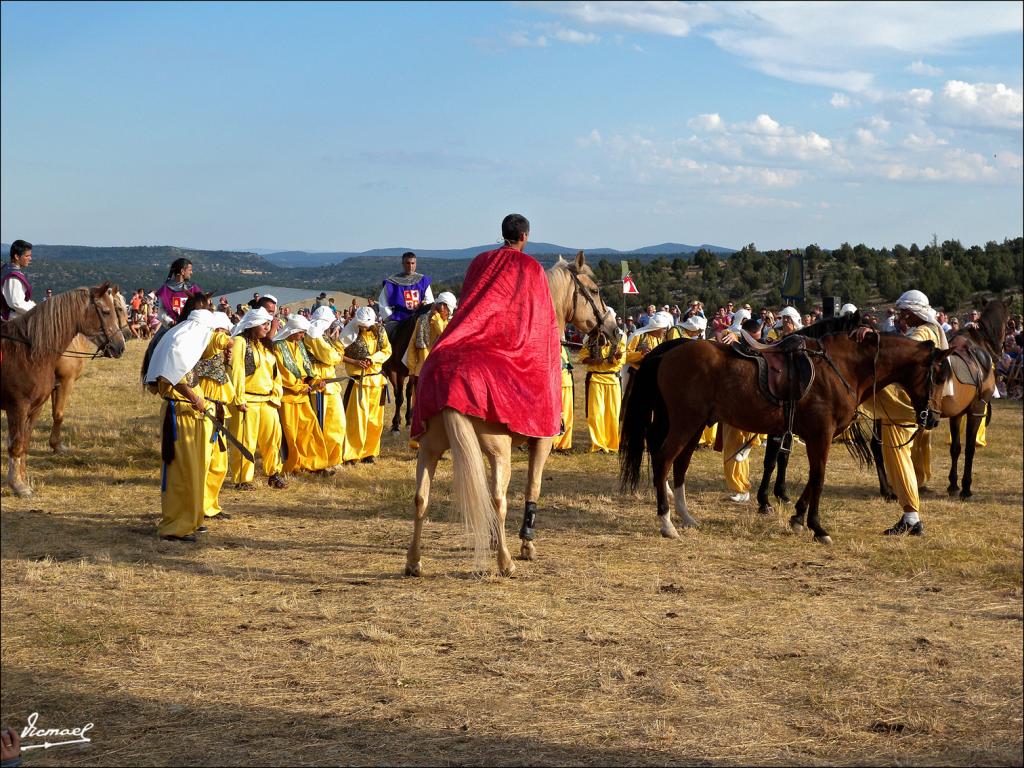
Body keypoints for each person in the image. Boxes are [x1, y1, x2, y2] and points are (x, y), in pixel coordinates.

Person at [410, 213, 561, 446]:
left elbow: (470, 303)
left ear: (504, 234)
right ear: (524, 236)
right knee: (537, 380)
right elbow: (541, 319)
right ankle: (539, 422)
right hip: (505, 342)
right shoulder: (532, 268)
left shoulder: (479, 261)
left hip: (467, 336)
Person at [854, 289, 947, 535]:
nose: (902, 317)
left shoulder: (923, 333)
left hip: (901, 405)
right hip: (905, 405)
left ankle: (912, 518)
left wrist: (875, 337)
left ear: (915, 312)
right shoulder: (928, 331)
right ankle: (910, 515)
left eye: (905, 313)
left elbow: (899, 350)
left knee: (897, 457)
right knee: (896, 458)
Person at [144, 308, 221, 541]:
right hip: (180, 413)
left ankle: (192, 518)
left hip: (192, 413)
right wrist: (195, 397)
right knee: (181, 471)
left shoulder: (185, 338)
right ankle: (176, 525)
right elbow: (170, 376)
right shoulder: (180, 340)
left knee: (195, 469)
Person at [228, 307, 287, 489]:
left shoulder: (266, 345)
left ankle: (274, 473)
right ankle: (242, 479)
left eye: (268, 323)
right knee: (245, 440)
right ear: (252, 324)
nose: (267, 326)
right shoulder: (239, 342)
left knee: (272, 439)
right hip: (247, 401)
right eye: (264, 323)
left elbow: (275, 374)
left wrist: (276, 395)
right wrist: (238, 398)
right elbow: (236, 371)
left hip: (268, 400)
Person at [272, 315, 332, 475]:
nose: (303, 336)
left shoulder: (299, 345)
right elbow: (283, 374)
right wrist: (300, 387)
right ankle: (294, 466)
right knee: (291, 434)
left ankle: (315, 464)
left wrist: (315, 382)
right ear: (293, 331)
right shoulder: (278, 347)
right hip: (288, 398)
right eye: (301, 333)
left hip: (303, 396)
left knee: (310, 430)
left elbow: (307, 370)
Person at [194, 311, 237, 523]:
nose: (225, 334)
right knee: (204, 461)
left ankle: (210, 505)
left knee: (219, 464)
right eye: (222, 330)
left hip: (218, 410)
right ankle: (198, 506)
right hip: (206, 410)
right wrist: (227, 338)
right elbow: (220, 340)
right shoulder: (207, 343)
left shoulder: (216, 350)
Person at [404, 291, 458, 449]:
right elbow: (412, 345)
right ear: (442, 306)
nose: (448, 313)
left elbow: (444, 336)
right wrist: (412, 370)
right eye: (447, 309)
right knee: (419, 409)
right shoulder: (422, 320)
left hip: (440, 372)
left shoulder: (447, 322)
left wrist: (436, 319)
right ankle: (418, 443)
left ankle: (437, 444)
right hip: (421, 371)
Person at [341, 306, 391, 464]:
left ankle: (369, 452)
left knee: (375, 420)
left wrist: (373, 358)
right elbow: (338, 353)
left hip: (376, 381)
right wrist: (355, 362)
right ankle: (352, 454)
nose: (363, 327)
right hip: (359, 382)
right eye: (361, 325)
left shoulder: (381, 331)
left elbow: (387, 351)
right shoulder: (348, 332)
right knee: (357, 420)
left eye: (365, 325)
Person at [304, 306, 347, 469]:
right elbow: (331, 356)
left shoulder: (320, 335)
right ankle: (324, 460)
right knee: (325, 424)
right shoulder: (314, 335)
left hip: (329, 383)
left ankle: (333, 458)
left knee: (335, 423)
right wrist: (337, 355)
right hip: (320, 383)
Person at [579, 318, 627, 453]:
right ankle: (598, 444)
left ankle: (612, 444)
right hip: (595, 379)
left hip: (613, 379)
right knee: (595, 414)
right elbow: (583, 357)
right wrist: (593, 361)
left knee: (613, 413)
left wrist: (616, 358)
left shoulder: (619, 338)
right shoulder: (591, 338)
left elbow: (622, 359)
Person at [379, 252, 434, 335]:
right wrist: (390, 317)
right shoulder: (391, 282)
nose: (410, 266)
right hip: (398, 319)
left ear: (416, 264)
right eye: (407, 263)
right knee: (385, 338)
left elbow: (429, 301)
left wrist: (424, 304)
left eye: (413, 263)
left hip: (419, 318)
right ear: (403, 264)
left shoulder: (423, 281)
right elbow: (383, 303)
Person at [155, 257, 202, 327]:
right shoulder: (164, 290)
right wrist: (169, 322)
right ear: (182, 271)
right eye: (190, 270)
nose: (191, 273)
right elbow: (161, 311)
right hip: (170, 327)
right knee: (159, 338)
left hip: (190, 325)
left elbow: (201, 309)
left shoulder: (194, 289)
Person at [1, 240, 35, 320]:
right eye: (27, 256)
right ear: (17, 257)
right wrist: (37, 310)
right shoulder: (12, 277)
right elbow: (15, 303)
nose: (30, 258)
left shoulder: (7, 269)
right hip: (13, 321)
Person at [552, 341, 575, 453]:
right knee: (554, 415)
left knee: (567, 415)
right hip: (554, 386)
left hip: (567, 384)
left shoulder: (565, 349)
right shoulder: (549, 345)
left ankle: (564, 444)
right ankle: (552, 443)